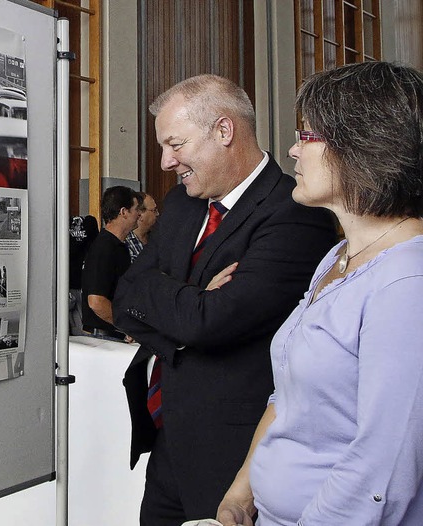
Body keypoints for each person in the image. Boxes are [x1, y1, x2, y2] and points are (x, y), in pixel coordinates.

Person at [112, 74, 337, 525]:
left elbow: (212, 322)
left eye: (175, 144)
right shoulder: (180, 205)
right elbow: (124, 295)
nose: (166, 161)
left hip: (233, 460)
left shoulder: (295, 211)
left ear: (224, 130)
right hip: (167, 442)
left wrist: (178, 302)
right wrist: (192, 300)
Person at [217, 62, 423, 526]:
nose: (292, 150)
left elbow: (382, 472)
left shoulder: (407, 282)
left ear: (364, 145)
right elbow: (287, 396)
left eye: (307, 137)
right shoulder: (337, 257)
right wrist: (241, 495)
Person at [82, 185, 141, 341]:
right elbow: (96, 301)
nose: (139, 214)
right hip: (104, 336)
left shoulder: (117, 246)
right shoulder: (104, 248)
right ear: (123, 212)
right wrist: (126, 326)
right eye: (136, 209)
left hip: (111, 334)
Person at [69, 215, 100, 335]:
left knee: (81, 332)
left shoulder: (89, 223)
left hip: (78, 285)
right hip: (76, 285)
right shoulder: (89, 223)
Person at [125, 192, 159, 263]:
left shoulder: (157, 238)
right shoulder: (125, 243)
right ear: (140, 214)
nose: (158, 214)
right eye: (154, 210)